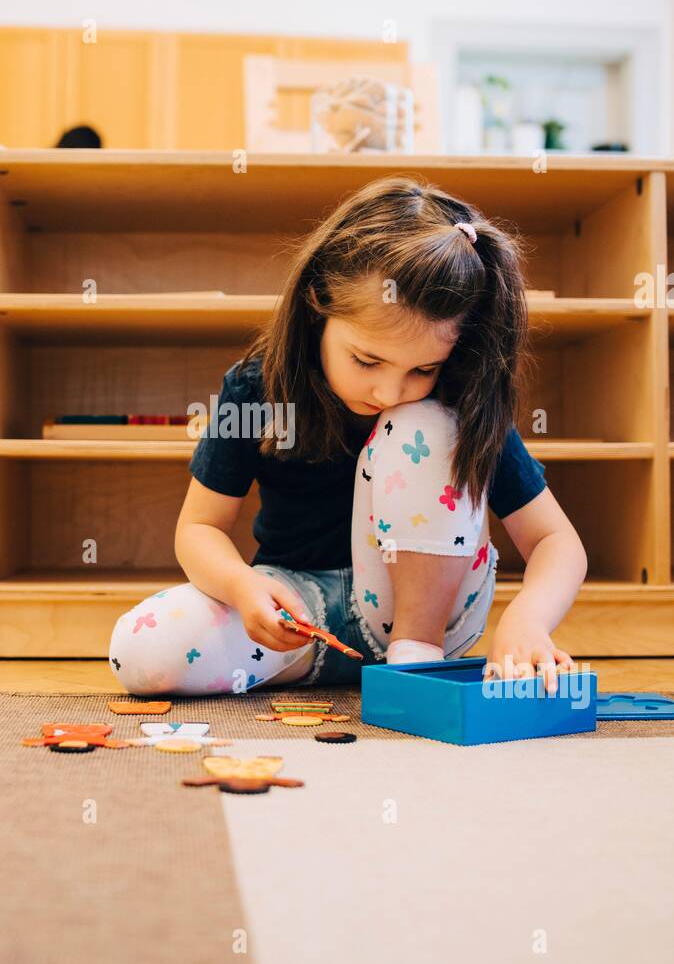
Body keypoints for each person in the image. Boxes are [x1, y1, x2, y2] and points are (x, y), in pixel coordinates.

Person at [108, 176, 587, 696]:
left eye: (422, 368)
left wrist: (527, 620)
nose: (388, 390)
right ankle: (333, 666)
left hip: (429, 617)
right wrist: (243, 586)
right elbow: (198, 528)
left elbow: (556, 540)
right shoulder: (255, 388)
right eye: (367, 359)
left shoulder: (458, 395)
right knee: (141, 651)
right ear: (318, 302)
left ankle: (415, 654)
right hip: (299, 608)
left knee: (421, 422)